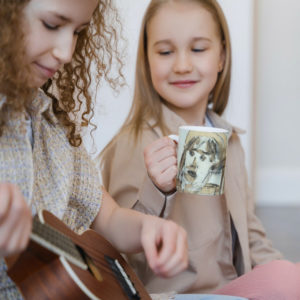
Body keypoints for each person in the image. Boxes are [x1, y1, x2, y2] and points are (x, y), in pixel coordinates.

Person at [99, 0, 300, 298]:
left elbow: (250, 232)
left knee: (288, 276)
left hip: (231, 289)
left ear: (221, 57)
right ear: (147, 60)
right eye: (165, 52)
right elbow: (117, 249)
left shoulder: (230, 139)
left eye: (198, 49)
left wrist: (283, 274)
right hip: (173, 295)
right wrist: (156, 188)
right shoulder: (134, 143)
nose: (182, 65)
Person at [0, 0, 189, 299]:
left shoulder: (52, 124)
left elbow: (110, 219)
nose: (66, 52)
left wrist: (148, 229)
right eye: (52, 25)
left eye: (78, 32)